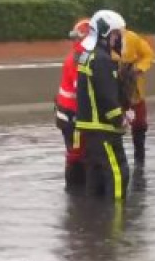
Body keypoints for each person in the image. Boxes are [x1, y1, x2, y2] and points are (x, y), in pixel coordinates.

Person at [75, 10, 130, 200]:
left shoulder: (88, 56)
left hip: (91, 127)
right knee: (117, 175)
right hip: (103, 128)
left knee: (96, 177)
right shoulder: (102, 60)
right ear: (106, 33)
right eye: (116, 34)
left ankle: (94, 222)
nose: (119, 39)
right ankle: (117, 220)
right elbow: (107, 95)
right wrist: (120, 118)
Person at [110, 19, 155, 169]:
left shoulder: (132, 38)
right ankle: (116, 159)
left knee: (140, 125)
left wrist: (139, 69)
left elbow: (148, 54)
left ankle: (139, 159)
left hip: (134, 90)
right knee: (114, 125)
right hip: (114, 90)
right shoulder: (102, 44)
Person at [55, 18, 90, 193]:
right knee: (76, 155)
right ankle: (75, 193)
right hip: (72, 116)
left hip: (67, 114)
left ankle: (75, 196)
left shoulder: (78, 55)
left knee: (77, 153)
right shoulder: (79, 59)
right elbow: (82, 90)